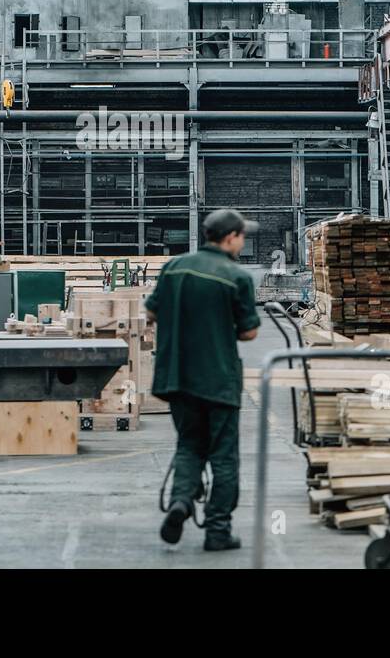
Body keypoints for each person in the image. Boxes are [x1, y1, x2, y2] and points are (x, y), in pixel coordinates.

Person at [145, 208, 261, 551]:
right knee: (223, 456)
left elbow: (151, 312)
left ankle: (182, 500)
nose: (243, 242)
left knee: (190, 444)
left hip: (178, 378)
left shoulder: (174, 267)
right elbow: (250, 333)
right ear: (229, 238)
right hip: (219, 381)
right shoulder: (236, 277)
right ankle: (218, 531)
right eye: (242, 235)